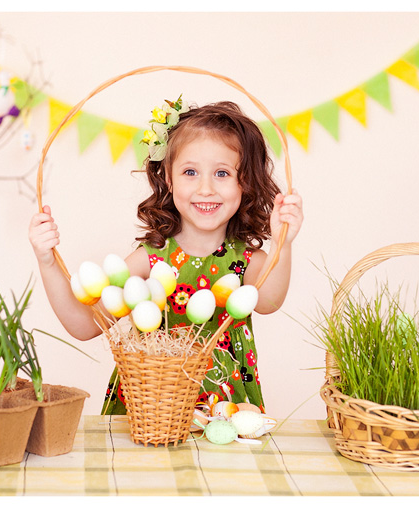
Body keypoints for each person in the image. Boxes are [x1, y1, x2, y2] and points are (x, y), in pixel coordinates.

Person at [29, 100, 303, 414]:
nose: (205, 188)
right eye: (190, 172)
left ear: (245, 183)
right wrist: (47, 262)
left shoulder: (245, 261)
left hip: (223, 410)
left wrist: (283, 243)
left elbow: (269, 302)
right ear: (169, 180)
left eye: (222, 173)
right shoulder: (150, 261)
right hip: (150, 406)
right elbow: (83, 325)